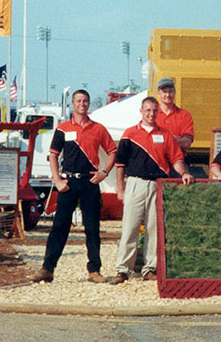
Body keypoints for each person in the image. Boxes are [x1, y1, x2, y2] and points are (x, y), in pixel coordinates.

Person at [32, 89, 117, 283]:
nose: (82, 104)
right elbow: (53, 155)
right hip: (68, 183)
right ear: (72, 103)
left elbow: (113, 151)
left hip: (90, 182)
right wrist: (58, 180)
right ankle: (47, 269)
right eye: (78, 100)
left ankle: (94, 270)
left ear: (89, 104)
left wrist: (104, 172)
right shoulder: (62, 128)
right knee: (59, 226)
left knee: (92, 227)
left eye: (85, 101)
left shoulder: (99, 128)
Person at [110, 97, 195, 285]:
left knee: (153, 228)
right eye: (147, 110)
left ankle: (150, 269)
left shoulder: (166, 135)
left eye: (154, 111)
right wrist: (120, 190)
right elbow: (120, 165)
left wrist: (184, 173)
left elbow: (176, 159)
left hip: (157, 184)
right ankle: (123, 270)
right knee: (130, 227)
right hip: (135, 183)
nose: (151, 114)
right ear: (141, 111)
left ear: (158, 112)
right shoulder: (129, 134)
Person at [154, 77, 194, 154]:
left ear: (174, 92)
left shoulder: (184, 115)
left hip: (178, 159)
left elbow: (186, 143)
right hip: (155, 159)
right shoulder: (152, 114)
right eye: (164, 92)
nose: (168, 95)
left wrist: (161, 140)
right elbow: (148, 140)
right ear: (158, 94)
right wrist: (175, 139)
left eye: (170, 91)